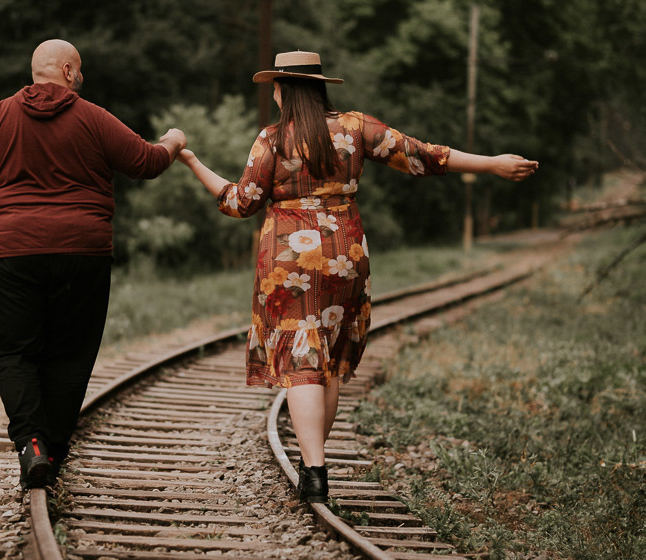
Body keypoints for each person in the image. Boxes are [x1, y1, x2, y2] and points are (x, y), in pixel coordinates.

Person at [177, 50, 537, 503]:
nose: (272, 92)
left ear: (285, 89)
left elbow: (240, 202)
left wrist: (192, 163)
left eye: (275, 85)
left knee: (301, 358)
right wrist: (492, 164)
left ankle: (314, 472)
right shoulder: (355, 127)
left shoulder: (272, 138)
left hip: (288, 258)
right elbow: (422, 155)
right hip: (345, 254)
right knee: (325, 359)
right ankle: (315, 462)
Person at [0, 39, 187, 489]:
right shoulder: (92, 117)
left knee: (9, 350)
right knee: (70, 351)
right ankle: (54, 446)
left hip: (7, 253)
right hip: (82, 253)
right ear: (69, 72)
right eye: (81, 70)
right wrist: (173, 141)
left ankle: (32, 443)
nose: (82, 77)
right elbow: (146, 162)